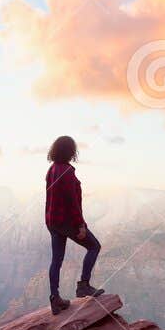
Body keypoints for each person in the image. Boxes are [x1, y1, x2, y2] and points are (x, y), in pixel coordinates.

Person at [44, 135, 105, 315]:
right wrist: (81, 225)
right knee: (94, 246)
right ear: (70, 151)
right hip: (66, 222)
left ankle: (55, 299)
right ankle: (83, 285)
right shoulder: (67, 172)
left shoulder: (52, 169)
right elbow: (72, 202)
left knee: (56, 260)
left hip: (52, 221)